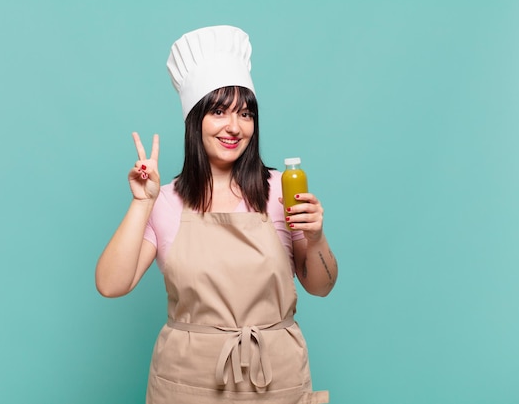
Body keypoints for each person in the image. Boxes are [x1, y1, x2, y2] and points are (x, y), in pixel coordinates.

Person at [96, 25, 338, 404]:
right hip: (187, 384)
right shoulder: (167, 200)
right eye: (219, 112)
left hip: (275, 379)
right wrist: (142, 202)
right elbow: (111, 285)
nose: (234, 127)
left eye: (245, 114)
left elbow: (320, 286)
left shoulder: (280, 190)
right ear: (195, 121)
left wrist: (317, 236)